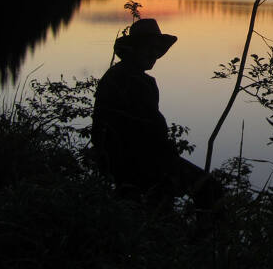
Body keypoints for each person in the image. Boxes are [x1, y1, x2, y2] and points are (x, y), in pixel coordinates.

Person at [91, 18, 220, 209]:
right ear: (134, 49)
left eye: (157, 49)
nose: (154, 54)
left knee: (160, 207)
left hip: (121, 161)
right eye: (149, 48)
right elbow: (150, 132)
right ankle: (204, 238)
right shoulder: (136, 82)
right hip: (140, 163)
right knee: (210, 189)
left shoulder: (116, 75)